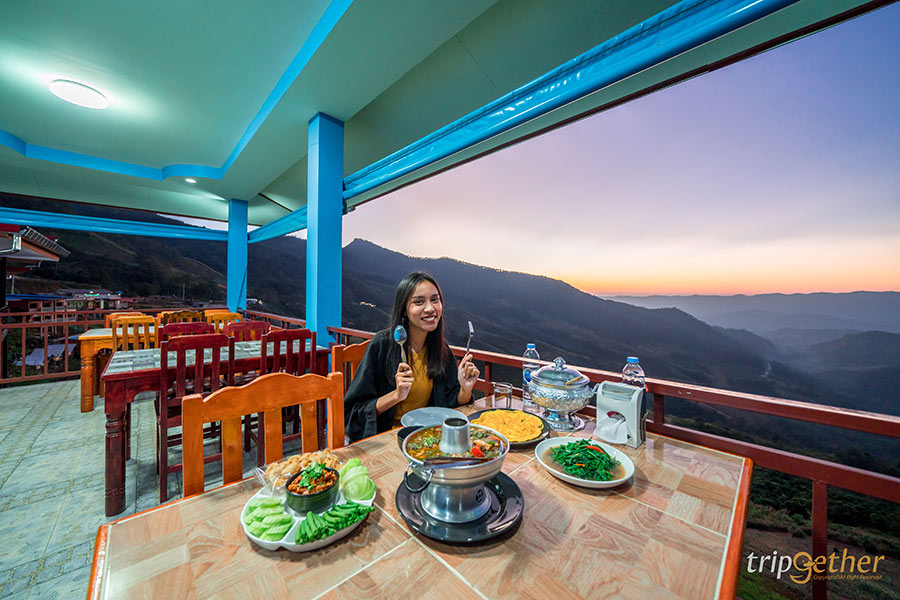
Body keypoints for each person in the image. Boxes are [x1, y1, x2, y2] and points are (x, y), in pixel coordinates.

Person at [344, 272, 480, 442]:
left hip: (427, 438)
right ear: (404, 309)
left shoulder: (441, 349)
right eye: (419, 302)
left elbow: (449, 405)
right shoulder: (382, 345)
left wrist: (465, 389)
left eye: (435, 300)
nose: (430, 308)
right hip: (387, 439)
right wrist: (396, 395)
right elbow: (352, 413)